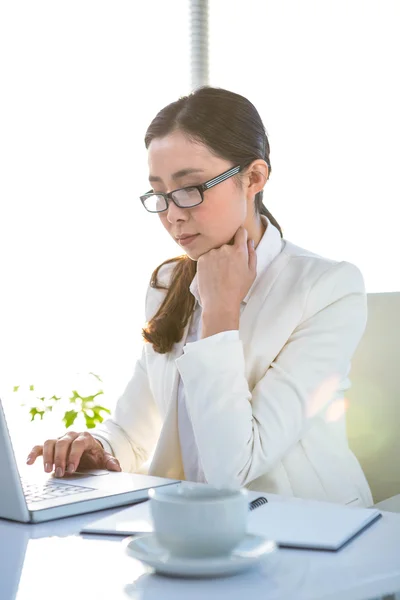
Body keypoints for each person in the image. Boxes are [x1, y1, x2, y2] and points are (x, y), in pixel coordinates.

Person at [27, 87, 373, 506]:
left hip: (310, 531)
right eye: (159, 193)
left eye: (190, 188)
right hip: (193, 529)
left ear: (254, 178)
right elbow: (136, 431)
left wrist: (221, 313)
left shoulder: (328, 288)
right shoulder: (168, 283)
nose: (173, 214)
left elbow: (234, 469)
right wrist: (98, 448)